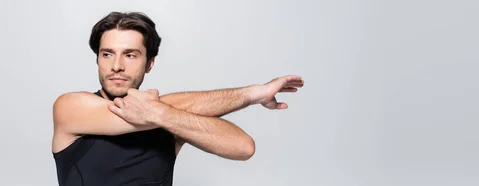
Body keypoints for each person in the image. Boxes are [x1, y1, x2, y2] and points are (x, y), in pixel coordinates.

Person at [51, 11, 304, 186]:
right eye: (107, 54)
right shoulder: (71, 107)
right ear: (97, 59)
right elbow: (128, 111)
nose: (116, 66)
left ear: (149, 64)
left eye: (130, 55)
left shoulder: (168, 122)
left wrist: (161, 114)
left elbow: (244, 147)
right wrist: (252, 94)